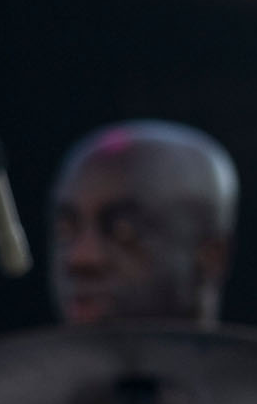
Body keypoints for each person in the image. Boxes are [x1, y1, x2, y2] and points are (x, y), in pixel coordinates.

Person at [49, 119, 239, 327]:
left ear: (212, 255)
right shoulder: (16, 358)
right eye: (65, 230)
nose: (79, 259)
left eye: (124, 231)